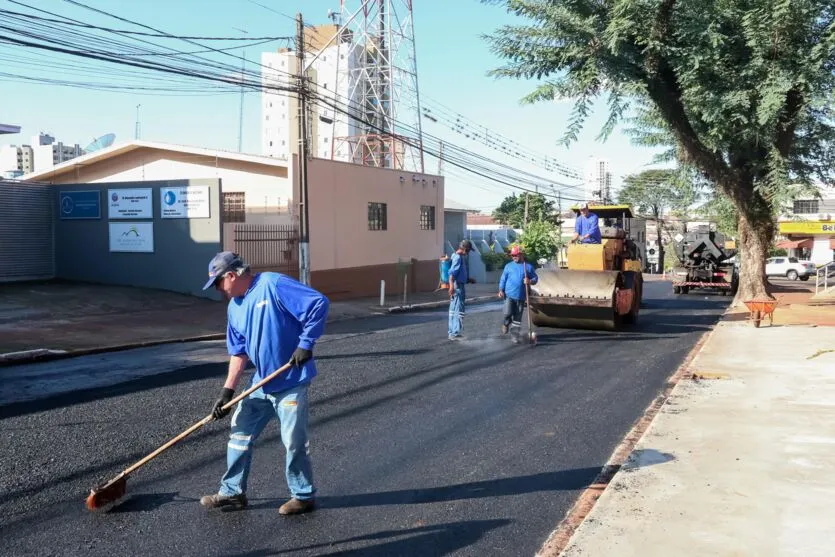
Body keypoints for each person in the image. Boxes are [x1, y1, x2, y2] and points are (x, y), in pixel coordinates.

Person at [199, 251, 329, 515]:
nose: (218, 290)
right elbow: (238, 353)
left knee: (294, 441)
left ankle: (303, 496)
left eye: (218, 283)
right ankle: (232, 493)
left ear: (231, 275)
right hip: (261, 384)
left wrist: (306, 344)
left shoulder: (273, 284)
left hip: (291, 381)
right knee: (239, 434)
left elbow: (318, 303)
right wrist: (228, 391)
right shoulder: (234, 308)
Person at [498, 245, 539, 341]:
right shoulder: (508, 266)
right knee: (507, 313)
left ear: (521, 255)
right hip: (509, 295)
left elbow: (535, 278)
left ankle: (514, 335)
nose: (514, 257)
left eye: (516, 255)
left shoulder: (528, 267)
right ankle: (506, 323)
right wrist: (501, 290)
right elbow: (503, 279)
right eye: (512, 255)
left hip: (521, 297)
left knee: (517, 318)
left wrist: (529, 281)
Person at [448, 239, 475, 340]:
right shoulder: (458, 258)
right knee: (459, 309)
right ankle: (455, 332)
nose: (468, 253)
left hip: (458, 284)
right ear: (464, 249)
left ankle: (452, 332)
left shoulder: (457, 256)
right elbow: (452, 274)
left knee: (453, 309)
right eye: (468, 251)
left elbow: (458, 273)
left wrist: (468, 279)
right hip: (457, 286)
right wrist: (451, 287)